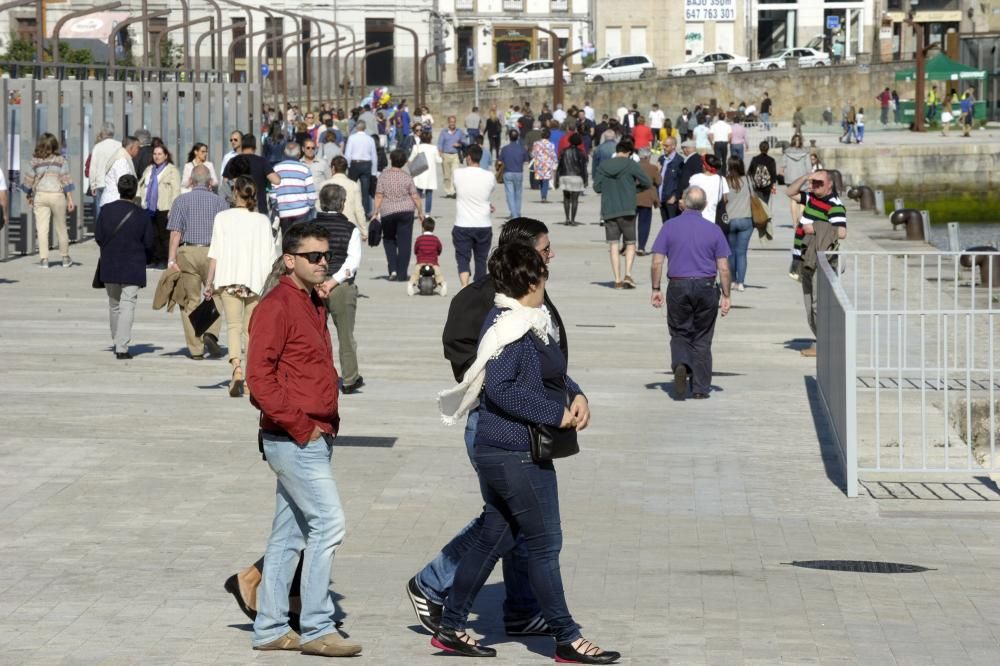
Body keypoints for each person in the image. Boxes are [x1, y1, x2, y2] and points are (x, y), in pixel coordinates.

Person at [433, 241, 620, 665]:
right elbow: (501, 390)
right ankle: (566, 637)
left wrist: (577, 394)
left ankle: (451, 625)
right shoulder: (510, 328)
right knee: (545, 543)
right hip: (512, 451)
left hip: (509, 450)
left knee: (496, 536)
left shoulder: (530, 321)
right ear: (532, 280)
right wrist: (555, 414)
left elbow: (551, 373)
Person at [406, 218, 572, 644]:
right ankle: (434, 582)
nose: (551, 255)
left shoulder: (533, 294)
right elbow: (468, 357)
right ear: (525, 253)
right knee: (506, 522)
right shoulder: (483, 301)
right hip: (495, 424)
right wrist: (495, 380)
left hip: (529, 422)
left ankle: (517, 609)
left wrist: (572, 392)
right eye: (545, 248)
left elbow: (551, 360)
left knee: (511, 522)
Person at [245, 222, 363, 658]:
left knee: (288, 536)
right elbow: (259, 378)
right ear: (289, 259)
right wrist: (301, 425)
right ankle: (315, 626)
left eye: (325, 255)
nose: (321, 262)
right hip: (294, 438)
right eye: (312, 256)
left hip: (313, 433)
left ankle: (271, 627)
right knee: (329, 524)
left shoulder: (313, 300)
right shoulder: (277, 305)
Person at [649, 185, 732, 400]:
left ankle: (681, 364)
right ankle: (700, 388)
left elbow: (657, 262)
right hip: (706, 286)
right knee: (702, 337)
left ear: (682, 203)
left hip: (678, 285)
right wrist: (726, 295)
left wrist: (656, 288)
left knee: (679, 331)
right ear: (704, 206)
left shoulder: (669, 226)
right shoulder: (714, 230)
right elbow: (723, 267)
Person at [203, 176, 276, 397]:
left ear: (235, 192)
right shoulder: (262, 220)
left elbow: (215, 253)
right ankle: (251, 376)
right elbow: (271, 256)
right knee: (250, 331)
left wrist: (208, 283)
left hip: (229, 279)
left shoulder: (222, 218)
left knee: (233, 326)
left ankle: (236, 368)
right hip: (254, 280)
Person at [165, 165, 229, 359]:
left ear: (191, 181)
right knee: (216, 294)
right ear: (210, 183)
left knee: (190, 300)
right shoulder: (220, 202)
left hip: (188, 252)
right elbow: (226, 234)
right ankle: (211, 332)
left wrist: (171, 259)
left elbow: (175, 233)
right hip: (213, 252)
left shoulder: (180, 201)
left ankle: (196, 348)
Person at [784, 170, 847, 357]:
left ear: (830, 185)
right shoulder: (811, 197)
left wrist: (815, 228)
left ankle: (824, 345)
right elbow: (790, 192)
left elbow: (842, 232)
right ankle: (822, 340)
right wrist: (804, 178)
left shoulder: (834, 205)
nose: (816, 185)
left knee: (818, 305)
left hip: (822, 261)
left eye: (820, 183)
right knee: (809, 303)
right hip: (804, 258)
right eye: (815, 182)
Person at [313, 183, 365, 395]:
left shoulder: (310, 227)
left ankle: (316, 377)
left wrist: (318, 282)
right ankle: (350, 379)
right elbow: (352, 263)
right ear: (343, 204)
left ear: (321, 203)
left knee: (314, 334)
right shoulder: (350, 229)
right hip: (340, 287)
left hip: (312, 285)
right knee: (345, 334)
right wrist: (332, 282)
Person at [95, 174, 153, 359]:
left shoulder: (105, 210)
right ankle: (122, 346)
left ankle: (116, 340)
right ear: (135, 191)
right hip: (133, 264)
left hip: (110, 262)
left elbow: (99, 236)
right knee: (128, 304)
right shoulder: (142, 215)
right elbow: (149, 242)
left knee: (114, 304)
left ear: (119, 189)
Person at [593, 139, 653, 290]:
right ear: (629, 153)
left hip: (609, 210)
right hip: (627, 208)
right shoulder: (631, 164)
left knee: (613, 244)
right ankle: (628, 274)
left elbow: (596, 187)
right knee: (631, 242)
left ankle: (617, 279)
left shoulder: (604, 165)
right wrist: (634, 191)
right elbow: (646, 181)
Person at [20, 132, 76, 268]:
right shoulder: (61, 160)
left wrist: (28, 195)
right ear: (55, 146)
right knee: (61, 228)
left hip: (40, 196)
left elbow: (28, 181)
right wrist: (70, 200)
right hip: (57, 196)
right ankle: (65, 258)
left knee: (42, 229)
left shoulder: (34, 161)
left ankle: (44, 259)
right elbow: (66, 180)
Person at [372, 149, 424, 281]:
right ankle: (402, 274)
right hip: (406, 211)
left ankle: (393, 269)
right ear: (404, 162)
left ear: (391, 160)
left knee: (389, 240)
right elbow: (415, 196)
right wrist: (420, 211)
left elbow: (378, 195)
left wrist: (375, 212)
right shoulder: (407, 177)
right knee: (404, 243)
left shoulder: (383, 176)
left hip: (388, 212)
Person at [452, 145, 495, 287]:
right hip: (483, 223)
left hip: (463, 223)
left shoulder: (458, 173)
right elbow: (486, 194)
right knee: (481, 259)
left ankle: (464, 286)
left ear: (468, 157)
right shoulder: (489, 176)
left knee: (463, 258)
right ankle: (479, 288)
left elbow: (459, 190)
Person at [138, 144, 182, 269]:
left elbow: (176, 191)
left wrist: (174, 208)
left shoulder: (172, 170)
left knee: (164, 236)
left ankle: (164, 260)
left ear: (166, 156)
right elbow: (141, 185)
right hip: (149, 207)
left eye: (159, 154)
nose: (156, 156)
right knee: (152, 235)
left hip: (165, 207)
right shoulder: (149, 169)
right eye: (155, 154)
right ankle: (154, 259)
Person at [223, 134, 281, 215]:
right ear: (255, 147)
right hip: (259, 209)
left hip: (238, 208)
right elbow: (276, 180)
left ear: (241, 146)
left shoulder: (233, 161)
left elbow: (225, 182)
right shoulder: (262, 161)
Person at [781, 134, 810, 279]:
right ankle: (801, 219)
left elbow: (783, 165)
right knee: (803, 200)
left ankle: (794, 221)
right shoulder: (805, 152)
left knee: (792, 200)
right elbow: (808, 166)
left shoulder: (787, 152)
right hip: (802, 176)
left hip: (791, 177)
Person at [317, 156, 367, 240]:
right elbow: (358, 210)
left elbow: (318, 207)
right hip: (349, 227)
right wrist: (364, 231)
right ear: (346, 169)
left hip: (327, 227)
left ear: (333, 168)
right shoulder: (353, 185)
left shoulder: (323, 185)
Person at [723, 157, 753, 292]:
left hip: (730, 220)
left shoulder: (725, 181)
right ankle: (741, 282)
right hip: (746, 219)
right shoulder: (748, 180)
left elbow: (723, 200)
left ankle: (733, 280)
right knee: (742, 253)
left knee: (730, 253)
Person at [273, 143, 317, 233]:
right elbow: (312, 195)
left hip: (284, 213)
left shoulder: (276, 169)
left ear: (284, 153)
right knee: (300, 243)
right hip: (302, 212)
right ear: (298, 154)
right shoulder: (305, 169)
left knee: (287, 242)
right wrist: (309, 207)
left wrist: (277, 208)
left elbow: (273, 195)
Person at [88, 122, 121, 222]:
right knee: (115, 209)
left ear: (103, 132)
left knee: (100, 210)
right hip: (115, 182)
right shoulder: (119, 145)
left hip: (100, 182)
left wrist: (92, 184)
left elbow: (93, 167)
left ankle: (101, 233)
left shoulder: (97, 147)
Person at [344, 121, 378, 216]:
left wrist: (347, 167)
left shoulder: (352, 138)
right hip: (366, 165)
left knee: (351, 189)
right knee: (365, 191)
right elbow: (374, 156)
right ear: (365, 128)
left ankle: (350, 211)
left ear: (356, 128)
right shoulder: (370, 139)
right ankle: (365, 213)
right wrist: (374, 172)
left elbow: (347, 154)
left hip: (354, 164)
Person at [407, 217, 447, 296]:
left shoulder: (419, 239)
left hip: (421, 262)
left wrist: (417, 254)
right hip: (433, 263)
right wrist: (438, 253)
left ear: (423, 228)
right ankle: (443, 285)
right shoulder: (435, 239)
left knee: (416, 273)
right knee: (438, 274)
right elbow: (439, 248)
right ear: (433, 228)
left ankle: (411, 285)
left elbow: (416, 249)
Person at [555, 133, 588, 226]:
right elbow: (583, 167)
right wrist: (585, 179)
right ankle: (573, 219)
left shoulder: (564, 151)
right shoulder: (581, 153)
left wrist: (557, 179)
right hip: (577, 176)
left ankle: (567, 218)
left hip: (565, 175)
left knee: (566, 198)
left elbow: (560, 166)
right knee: (575, 200)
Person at [100, 136, 140, 210]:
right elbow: (123, 183)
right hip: (114, 203)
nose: (138, 150)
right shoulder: (122, 161)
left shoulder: (123, 157)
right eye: (137, 147)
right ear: (131, 148)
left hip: (114, 203)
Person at [635, 147, 662, 256]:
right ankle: (641, 247)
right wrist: (658, 171)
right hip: (647, 199)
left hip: (632, 198)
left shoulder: (633, 166)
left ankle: (628, 246)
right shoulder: (652, 168)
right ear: (648, 157)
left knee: (630, 224)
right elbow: (659, 181)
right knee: (644, 223)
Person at [688, 154, 729, 225]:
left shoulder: (694, 178)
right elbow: (725, 199)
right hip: (713, 219)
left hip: (696, 218)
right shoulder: (722, 179)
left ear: (704, 166)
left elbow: (689, 196)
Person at [409, 129, 442, 215]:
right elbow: (439, 161)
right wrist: (440, 155)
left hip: (419, 173)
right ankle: (427, 213)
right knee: (429, 194)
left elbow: (410, 159)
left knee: (417, 194)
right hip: (430, 174)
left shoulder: (416, 147)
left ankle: (416, 211)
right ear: (430, 139)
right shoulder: (434, 148)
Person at [499, 129, 530, 218]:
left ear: (509, 137)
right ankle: (517, 212)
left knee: (510, 194)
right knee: (518, 194)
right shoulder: (522, 148)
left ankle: (513, 213)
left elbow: (500, 161)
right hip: (518, 173)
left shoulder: (505, 149)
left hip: (508, 172)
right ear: (518, 137)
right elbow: (526, 161)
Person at [437, 116, 466, 198]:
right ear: (448, 122)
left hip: (455, 155)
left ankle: (453, 191)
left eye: (453, 122)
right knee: (447, 175)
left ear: (455, 122)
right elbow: (440, 143)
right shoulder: (444, 132)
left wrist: (459, 144)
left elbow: (465, 142)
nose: (452, 123)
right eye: (451, 122)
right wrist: (440, 152)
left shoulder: (459, 132)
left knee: (455, 174)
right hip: (445, 155)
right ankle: (448, 191)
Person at [658, 136, 683, 221]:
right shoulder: (661, 159)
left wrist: (675, 196)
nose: (664, 148)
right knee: (665, 224)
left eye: (666, 146)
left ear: (673, 146)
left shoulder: (679, 161)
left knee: (673, 224)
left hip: (671, 200)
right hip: (661, 198)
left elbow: (681, 181)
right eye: (663, 145)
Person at [531, 128, 557, 204]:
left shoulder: (536, 143)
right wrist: (556, 162)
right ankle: (544, 197)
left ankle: (542, 195)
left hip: (539, 164)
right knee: (546, 181)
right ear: (549, 136)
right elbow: (553, 155)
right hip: (547, 164)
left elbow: (533, 154)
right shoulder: (551, 144)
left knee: (541, 180)